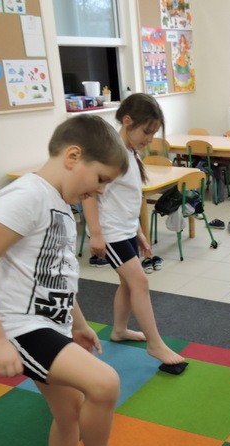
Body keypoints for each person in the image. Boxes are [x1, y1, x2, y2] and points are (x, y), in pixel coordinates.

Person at [0, 115, 140, 446]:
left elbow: (56, 275)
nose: (101, 191)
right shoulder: (27, 195)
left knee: (70, 411)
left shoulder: (60, 204)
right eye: (101, 179)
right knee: (104, 383)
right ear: (73, 157)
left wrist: (77, 323)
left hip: (49, 324)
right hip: (20, 326)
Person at [80, 93, 185, 368]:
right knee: (140, 282)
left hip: (125, 228)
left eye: (153, 133)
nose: (150, 139)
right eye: (146, 132)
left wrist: (138, 231)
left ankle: (119, 330)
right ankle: (155, 344)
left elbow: (126, 197)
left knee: (128, 283)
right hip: (110, 233)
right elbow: (88, 193)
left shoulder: (129, 152)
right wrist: (96, 233)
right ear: (127, 121)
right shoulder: (109, 152)